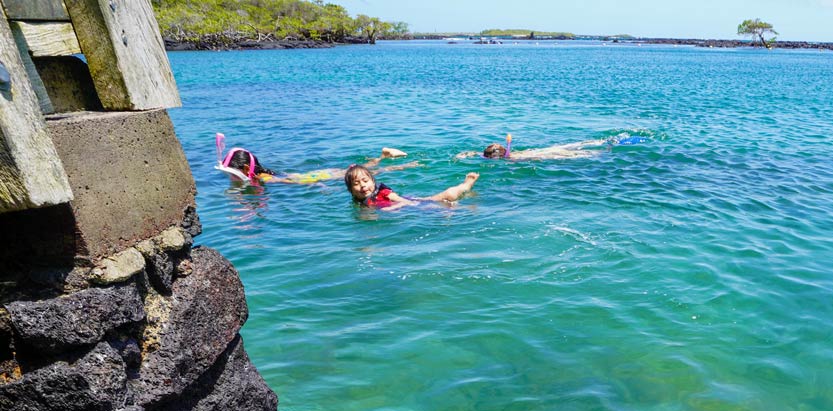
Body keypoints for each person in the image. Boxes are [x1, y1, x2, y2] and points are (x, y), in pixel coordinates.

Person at [215, 134, 415, 184]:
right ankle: (383, 155)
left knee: (366, 174)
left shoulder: (264, 178)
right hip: (314, 174)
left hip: (315, 178)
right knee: (358, 170)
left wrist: (315, 185)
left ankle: (407, 165)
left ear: (243, 169)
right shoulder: (264, 172)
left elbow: (288, 181)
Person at [344, 165, 480, 208]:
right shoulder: (360, 201)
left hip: (411, 204)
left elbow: (401, 201)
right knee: (439, 203)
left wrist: (394, 208)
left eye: (365, 181)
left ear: (373, 182)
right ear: (350, 190)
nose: (362, 186)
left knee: (444, 198)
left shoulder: (383, 192)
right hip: (410, 206)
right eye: (356, 184)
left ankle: (466, 185)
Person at [457, 133, 647, 161]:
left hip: (531, 156)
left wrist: (464, 155)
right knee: (571, 147)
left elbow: (506, 152)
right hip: (532, 152)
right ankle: (604, 143)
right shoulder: (506, 154)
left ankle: (606, 150)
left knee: (570, 154)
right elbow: (506, 145)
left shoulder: (508, 158)